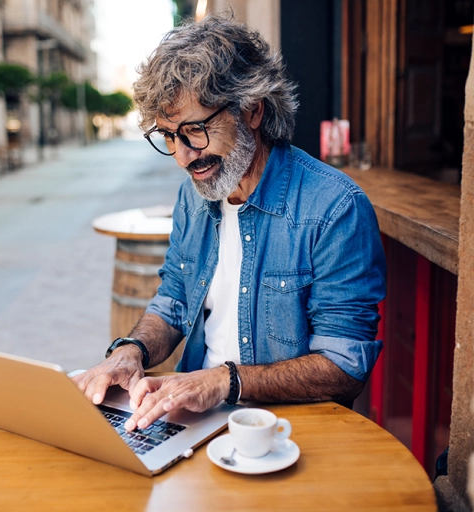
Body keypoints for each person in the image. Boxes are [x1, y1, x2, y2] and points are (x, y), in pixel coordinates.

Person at [73, 14, 386, 433]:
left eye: (195, 130)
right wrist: (131, 351)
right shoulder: (195, 194)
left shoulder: (335, 209)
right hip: (191, 416)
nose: (184, 156)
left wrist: (225, 381)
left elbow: (345, 366)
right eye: (168, 136)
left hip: (288, 429)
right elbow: (175, 299)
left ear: (252, 110)